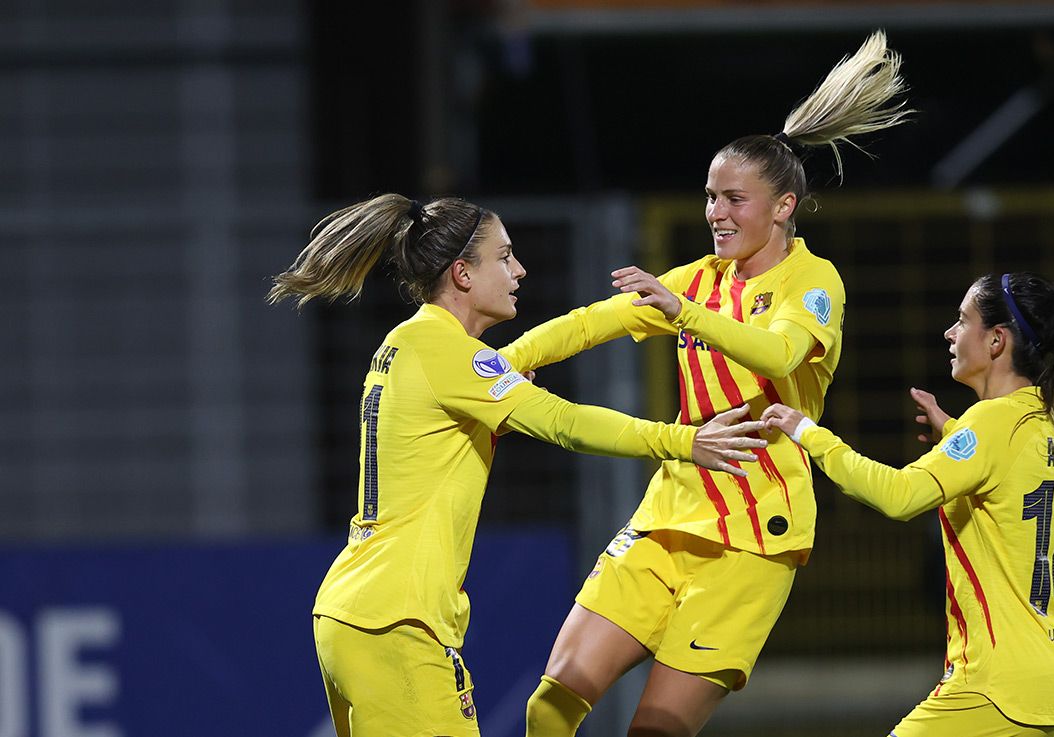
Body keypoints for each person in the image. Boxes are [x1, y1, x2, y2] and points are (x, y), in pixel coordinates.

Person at [502, 32, 911, 737]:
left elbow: (781, 354)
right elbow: (587, 323)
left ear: (783, 207)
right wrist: (497, 365)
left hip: (753, 542)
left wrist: (683, 310)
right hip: (665, 521)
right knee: (550, 704)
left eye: (733, 199)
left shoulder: (814, 283)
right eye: (709, 198)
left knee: (654, 732)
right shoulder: (700, 280)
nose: (716, 213)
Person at [266, 194, 768, 737]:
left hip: (357, 614)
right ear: (462, 273)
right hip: (398, 622)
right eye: (504, 257)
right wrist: (683, 441)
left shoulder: (407, 344)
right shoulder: (446, 352)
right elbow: (563, 421)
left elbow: (445, 430)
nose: (519, 270)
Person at [762, 272, 1054, 737]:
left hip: (998, 688)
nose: (950, 333)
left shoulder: (991, 425)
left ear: (997, 340)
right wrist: (955, 432)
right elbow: (1002, 478)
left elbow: (898, 497)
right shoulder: (1050, 423)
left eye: (963, 321)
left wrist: (808, 434)